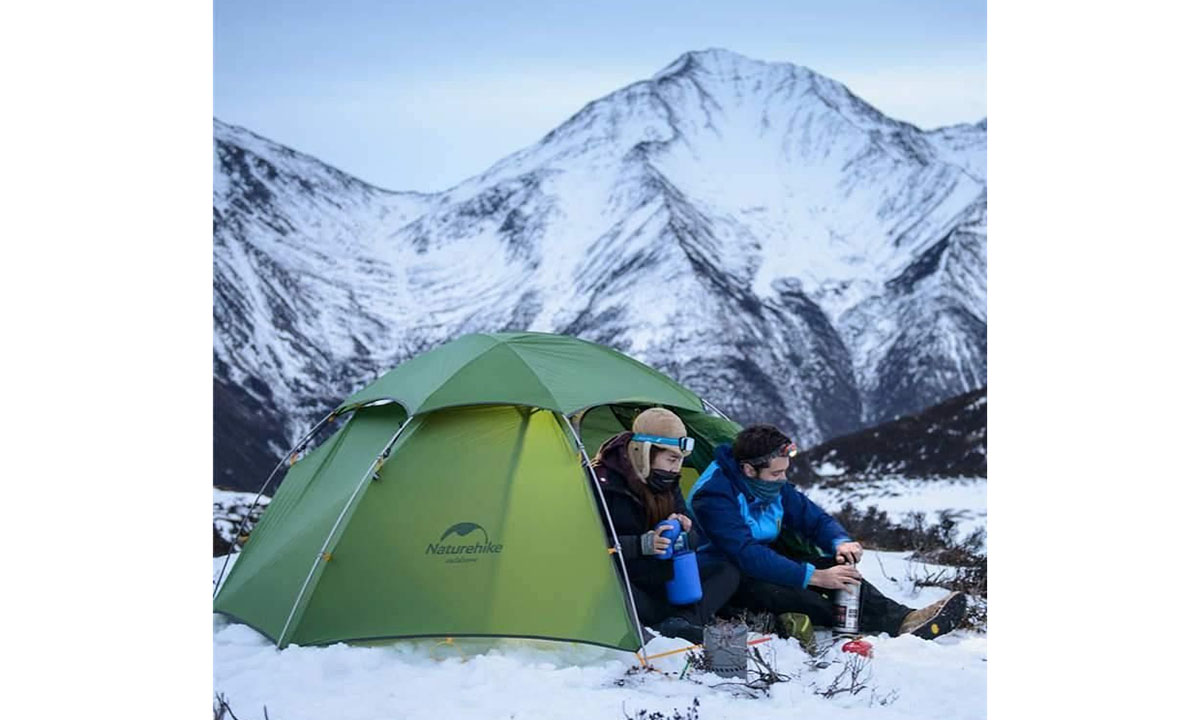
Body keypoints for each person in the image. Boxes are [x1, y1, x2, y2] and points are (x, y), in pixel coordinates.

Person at [687, 423, 966, 640]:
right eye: (776, 474)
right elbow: (745, 554)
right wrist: (816, 577)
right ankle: (836, 620)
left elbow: (812, 518)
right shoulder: (714, 495)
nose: (783, 480)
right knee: (809, 598)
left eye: (785, 472)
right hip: (725, 576)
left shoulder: (769, 486)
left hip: (764, 562)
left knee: (837, 567)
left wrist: (840, 541)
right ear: (748, 469)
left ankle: (904, 619)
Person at [590, 407, 741, 645]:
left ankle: (679, 623)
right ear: (644, 453)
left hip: (666, 577)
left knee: (726, 571)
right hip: (628, 580)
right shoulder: (602, 483)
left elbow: (693, 537)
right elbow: (588, 549)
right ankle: (681, 623)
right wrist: (642, 545)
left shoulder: (667, 480)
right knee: (616, 591)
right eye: (671, 459)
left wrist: (686, 532)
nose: (676, 468)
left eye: (680, 460)